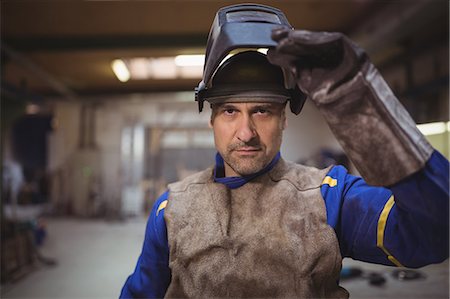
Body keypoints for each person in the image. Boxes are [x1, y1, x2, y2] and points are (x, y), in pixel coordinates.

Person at [120, 4, 449, 298]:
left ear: (284, 119)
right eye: (230, 111)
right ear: (212, 120)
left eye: (262, 110)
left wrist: (358, 105)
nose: (246, 132)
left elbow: (435, 234)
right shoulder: (172, 209)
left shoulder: (328, 197)